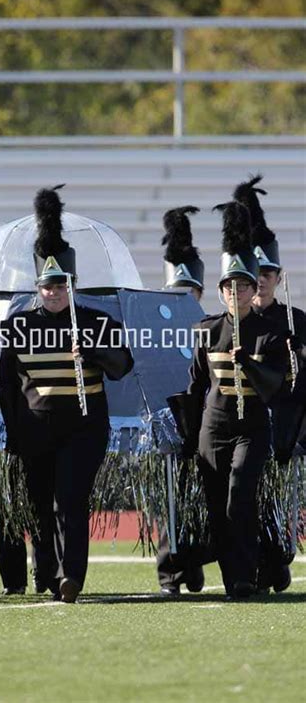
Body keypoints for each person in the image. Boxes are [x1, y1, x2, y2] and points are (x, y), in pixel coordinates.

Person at [0, 185, 133, 603]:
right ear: (37, 287)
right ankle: (46, 573)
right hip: (35, 428)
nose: (53, 293)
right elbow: (6, 386)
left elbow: (122, 367)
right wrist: (15, 433)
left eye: (60, 286)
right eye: (47, 286)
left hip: (84, 427)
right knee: (39, 506)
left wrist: (90, 350)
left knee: (69, 500)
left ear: (72, 285)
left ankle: (70, 576)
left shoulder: (97, 321)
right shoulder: (18, 326)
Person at [186, 200, 287, 599]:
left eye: (245, 285)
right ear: (222, 290)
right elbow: (196, 386)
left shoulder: (268, 332)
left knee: (240, 496)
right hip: (215, 426)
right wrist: (187, 435)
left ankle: (245, 576)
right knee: (217, 507)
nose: (239, 292)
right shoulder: (207, 330)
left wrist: (247, 361)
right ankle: (232, 578)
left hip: (253, 427)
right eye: (231, 286)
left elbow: (273, 385)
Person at [234, 174, 306, 593]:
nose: (261, 279)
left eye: (268, 272)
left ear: (279, 276)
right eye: (254, 271)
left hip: (286, 426)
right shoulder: (234, 321)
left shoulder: (297, 320)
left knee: (277, 501)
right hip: (243, 423)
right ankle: (260, 563)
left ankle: (276, 559)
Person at [157, 205, 206, 596]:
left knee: (205, 497)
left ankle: (196, 564)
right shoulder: (152, 330)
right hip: (169, 423)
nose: (182, 299)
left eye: (188, 292)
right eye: (176, 292)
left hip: (207, 422)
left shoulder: (212, 327)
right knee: (169, 500)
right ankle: (170, 572)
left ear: (201, 293)